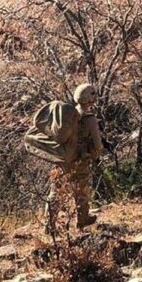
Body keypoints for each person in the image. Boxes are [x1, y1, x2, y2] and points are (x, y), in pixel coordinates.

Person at [46, 83, 104, 231]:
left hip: (62, 158)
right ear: (89, 99)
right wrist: (95, 153)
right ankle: (82, 220)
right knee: (81, 191)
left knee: (56, 191)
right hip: (79, 160)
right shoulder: (89, 118)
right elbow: (98, 145)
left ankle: (49, 224)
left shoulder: (68, 116)